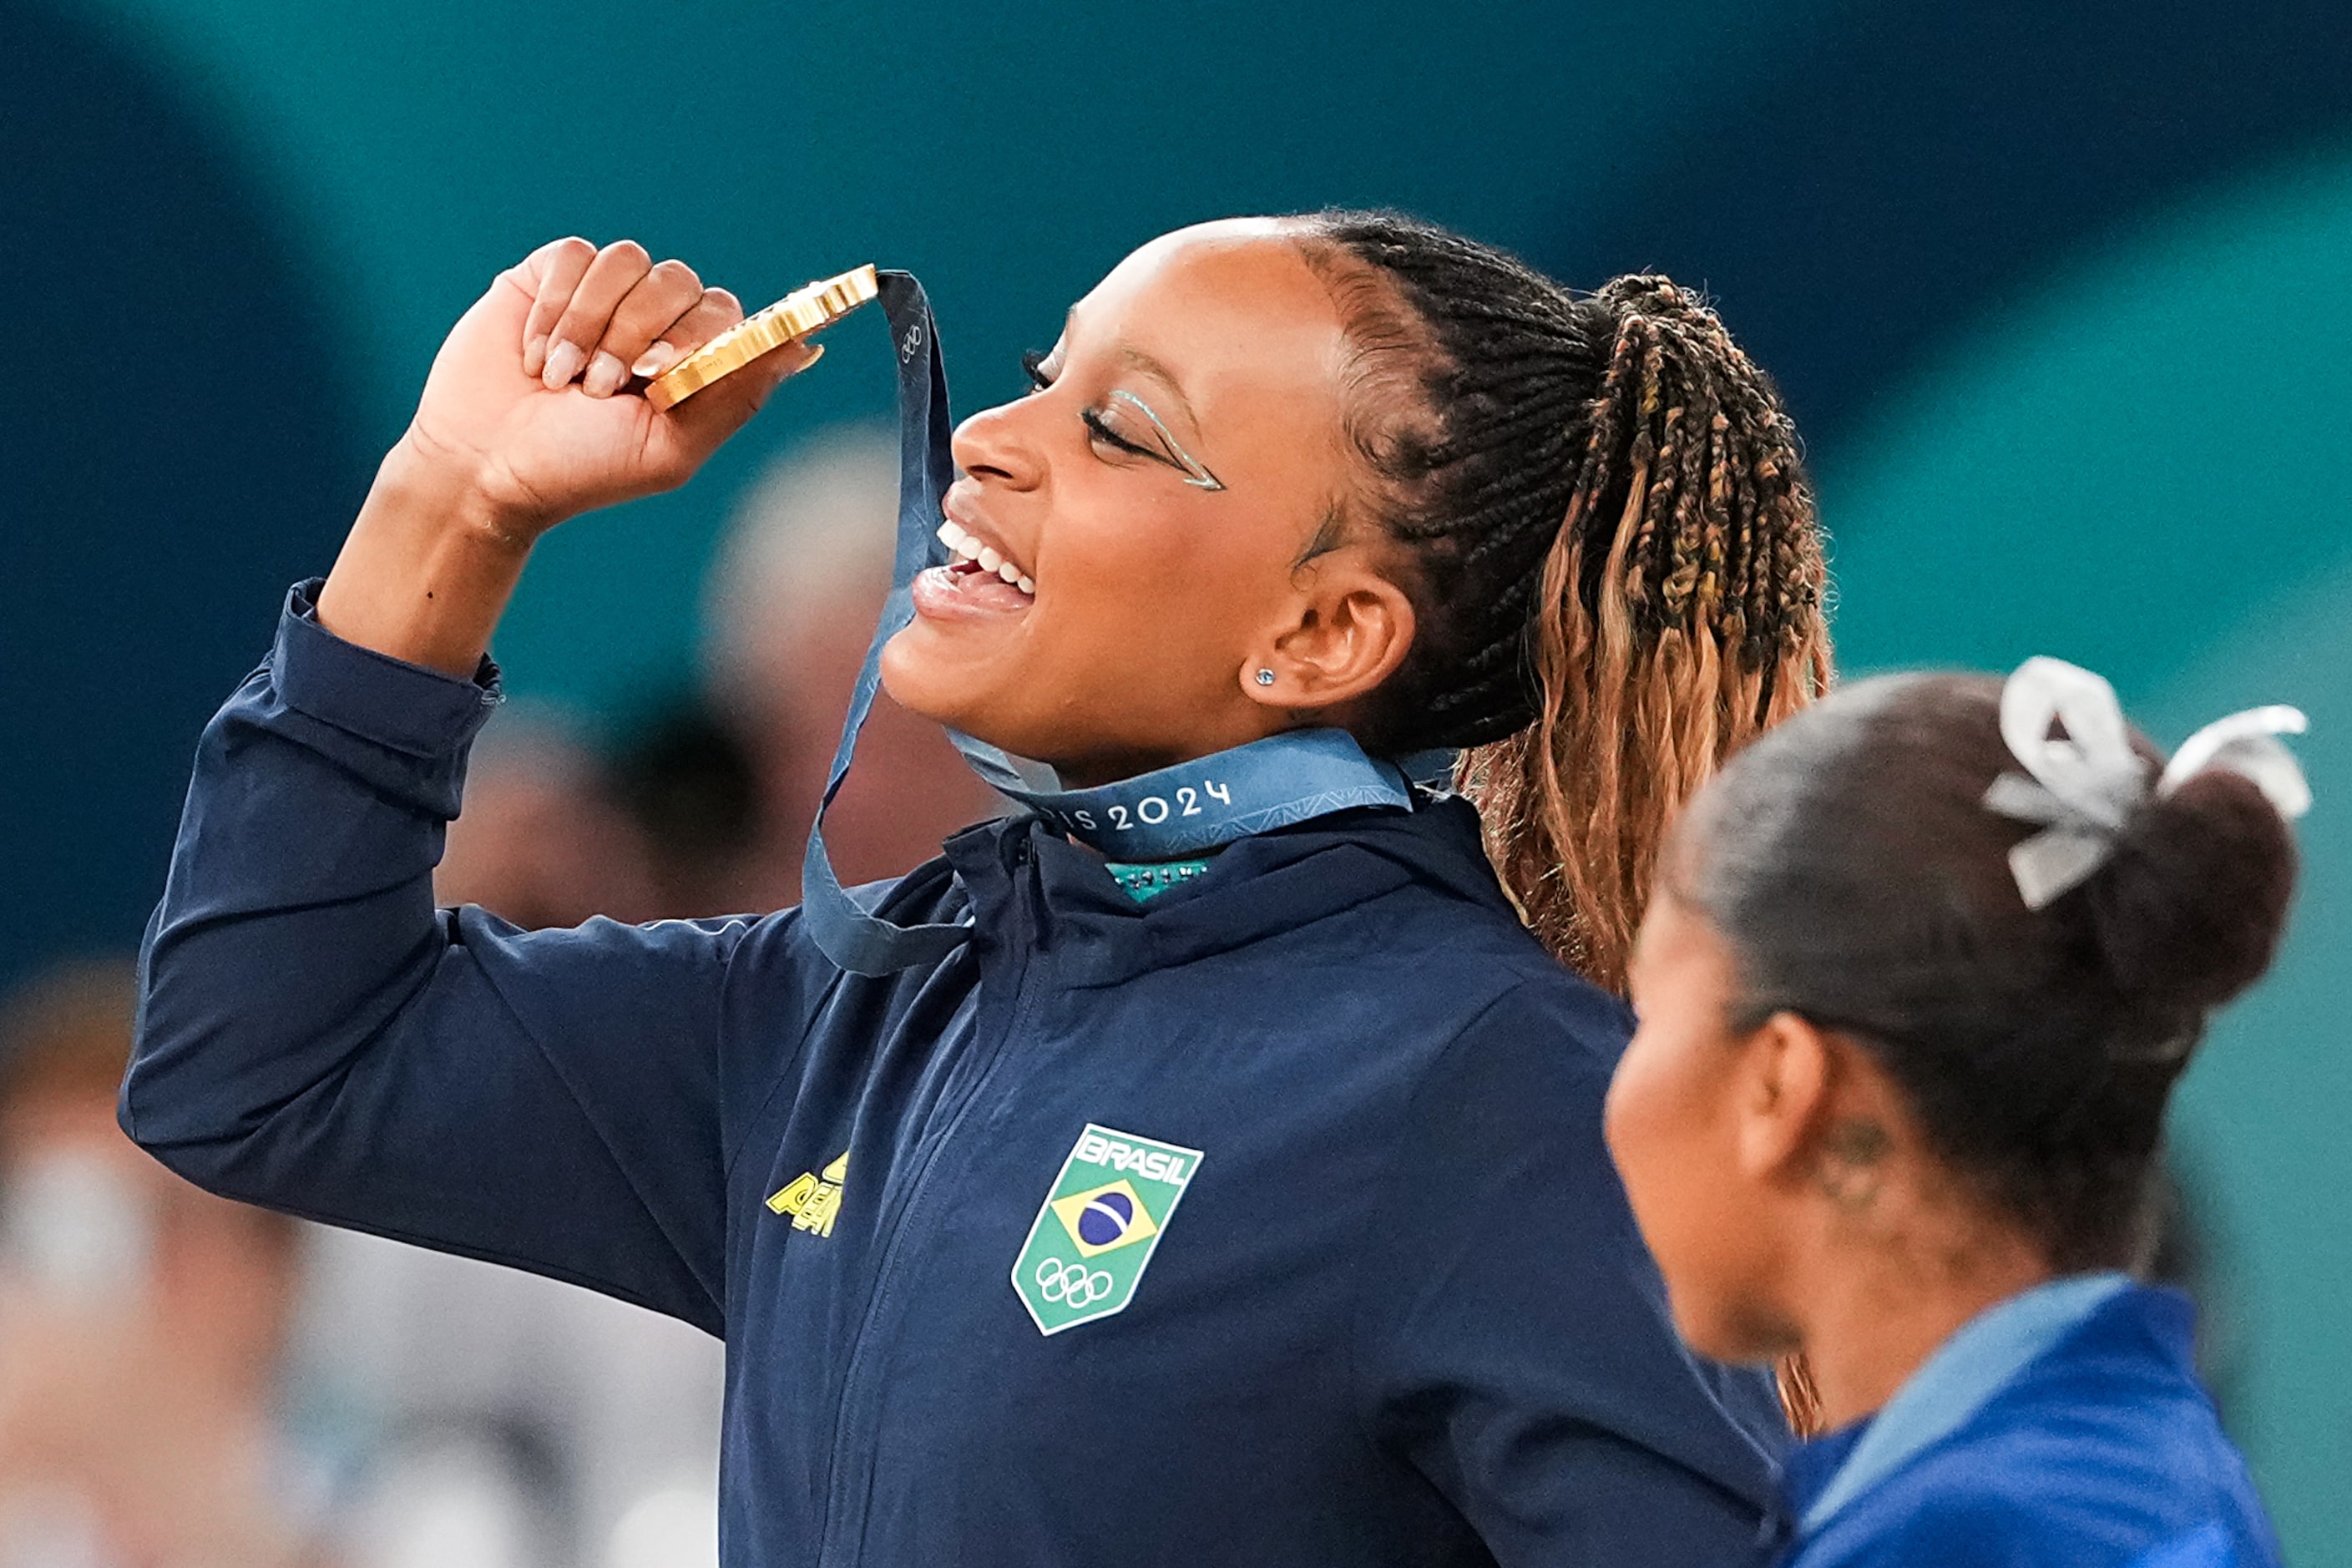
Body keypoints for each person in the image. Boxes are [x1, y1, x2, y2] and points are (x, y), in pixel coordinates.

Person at [126, 212, 1831, 1566]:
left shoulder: (1490, 1092)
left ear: (1321, 637)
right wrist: (453, 505)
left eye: (1123, 434)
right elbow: (265, 1066)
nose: (992, 441)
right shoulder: (855, 1008)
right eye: (1036, 373)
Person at [1605, 657, 2302, 1565]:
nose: (1615, 1086)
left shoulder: (1949, 1541)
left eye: (1647, 1013)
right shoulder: (2148, 1473)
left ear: (1782, 1084)